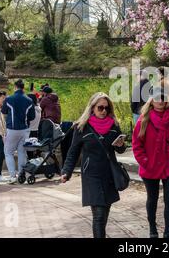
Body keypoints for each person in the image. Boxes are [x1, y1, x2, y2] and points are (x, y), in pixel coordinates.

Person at [61, 92, 126, 238]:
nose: (104, 111)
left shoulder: (114, 126)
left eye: (107, 108)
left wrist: (121, 145)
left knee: (104, 215)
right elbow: (73, 152)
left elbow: (120, 150)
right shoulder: (81, 127)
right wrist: (66, 171)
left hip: (109, 173)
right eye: (100, 108)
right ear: (92, 108)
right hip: (91, 175)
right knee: (98, 215)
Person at [132, 86, 169, 238]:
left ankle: (168, 234)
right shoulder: (144, 119)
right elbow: (137, 144)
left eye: (163, 97)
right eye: (157, 98)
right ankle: (152, 228)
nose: (160, 101)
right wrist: (145, 161)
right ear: (151, 100)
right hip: (151, 164)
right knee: (152, 198)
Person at [1, 79, 35, 184]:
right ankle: (21, 174)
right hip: (25, 130)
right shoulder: (29, 100)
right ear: (23, 87)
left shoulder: (9, 99)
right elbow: (32, 117)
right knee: (22, 152)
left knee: (8, 152)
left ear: (15, 87)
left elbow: (3, 111)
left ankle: (12, 176)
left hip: (12, 129)